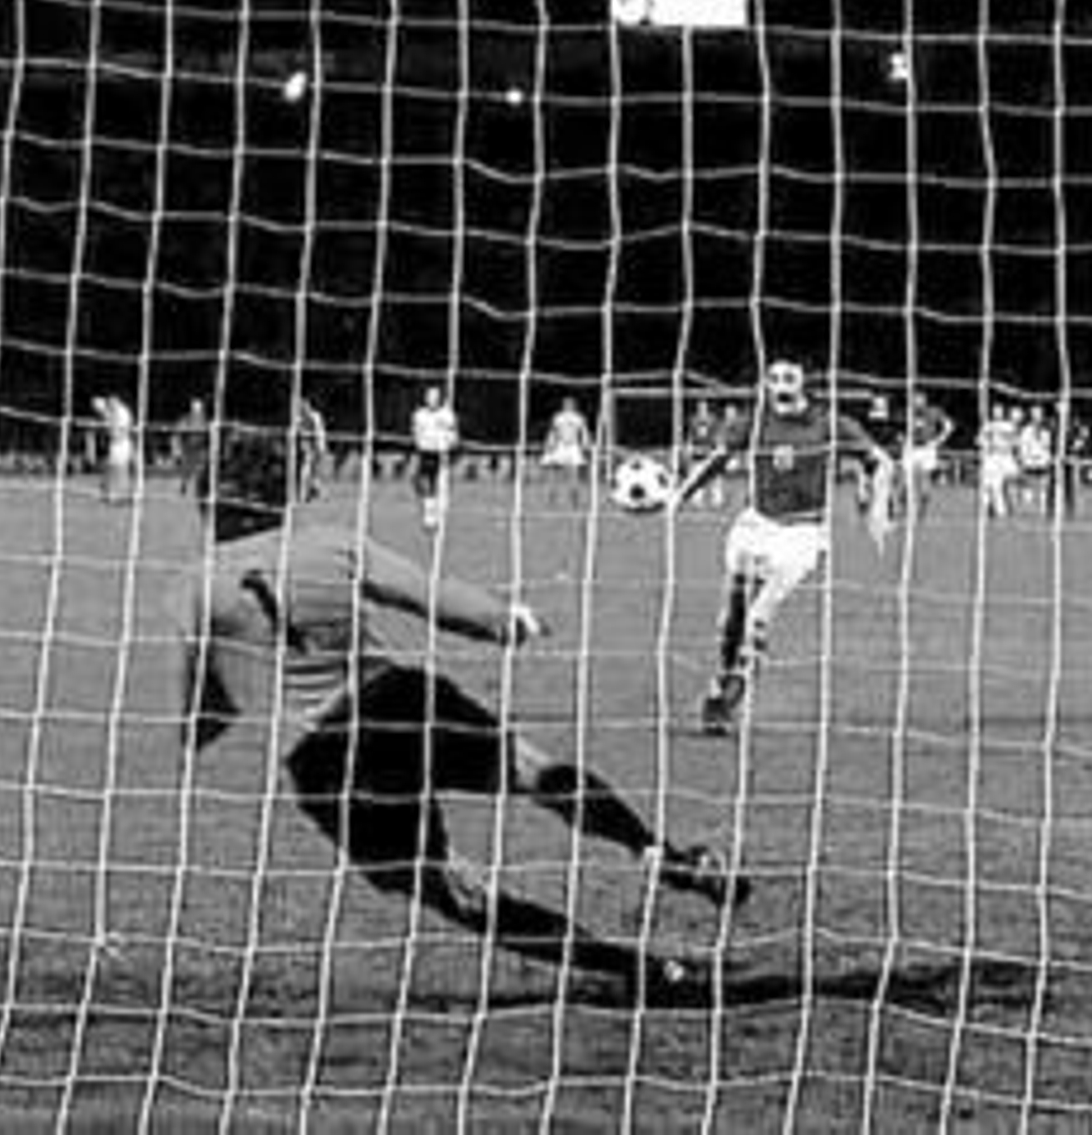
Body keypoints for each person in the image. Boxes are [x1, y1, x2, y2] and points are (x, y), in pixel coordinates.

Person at [172, 427, 750, 1004]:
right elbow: (432, 597)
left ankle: (640, 970)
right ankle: (658, 853)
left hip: (326, 760)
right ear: (281, 497)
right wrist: (504, 620)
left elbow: (213, 704)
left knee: (456, 891)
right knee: (536, 774)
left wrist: (187, 740)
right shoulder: (331, 544)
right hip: (398, 701)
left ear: (210, 500)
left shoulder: (197, 587)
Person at [671, 360, 894, 736]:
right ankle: (724, 677)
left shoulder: (828, 423)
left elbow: (881, 461)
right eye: (773, 378)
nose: (780, 385)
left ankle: (726, 698)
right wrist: (680, 494)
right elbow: (717, 460)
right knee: (730, 619)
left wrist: (877, 508)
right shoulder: (753, 421)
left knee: (760, 615)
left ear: (804, 383)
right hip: (755, 525)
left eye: (788, 378)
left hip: (801, 533)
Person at [411, 385, 460, 532]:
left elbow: (454, 434)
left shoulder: (447, 414)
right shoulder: (419, 415)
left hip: (442, 454)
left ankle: (438, 517)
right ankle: (429, 517)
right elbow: (416, 433)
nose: (432, 400)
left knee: (441, 485)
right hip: (426, 453)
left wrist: (450, 444)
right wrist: (420, 443)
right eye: (430, 397)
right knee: (423, 484)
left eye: (435, 397)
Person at [899, 391, 954, 521]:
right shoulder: (908, 413)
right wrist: (903, 440)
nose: (917, 403)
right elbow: (900, 430)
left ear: (925, 401)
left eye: (920, 400)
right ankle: (902, 509)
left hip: (927, 449)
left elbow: (949, 426)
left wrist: (938, 440)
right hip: (911, 448)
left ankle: (922, 512)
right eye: (915, 400)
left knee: (925, 481)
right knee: (905, 481)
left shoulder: (934, 412)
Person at [538, 396, 593, 505]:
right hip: (560, 446)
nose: (568, 406)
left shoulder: (579, 418)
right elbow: (553, 431)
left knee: (574, 474)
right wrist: (549, 443)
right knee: (553, 472)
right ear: (563, 405)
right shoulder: (558, 417)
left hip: (573, 447)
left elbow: (584, 432)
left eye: (571, 404)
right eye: (566, 404)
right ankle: (551, 498)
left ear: (574, 405)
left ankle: (574, 499)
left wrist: (586, 444)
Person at [91, 394, 137, 504]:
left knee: (120, 469)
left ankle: (124, 495)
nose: (111, 405)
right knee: (110, 468)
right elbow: (102, 410)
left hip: (122, 443)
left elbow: (122, 428)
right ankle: (106, 492)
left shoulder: (122, 412)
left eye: (113, 403)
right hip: (116, 443)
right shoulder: (113, 412)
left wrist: (108, 419)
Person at [976, 404, 1019, 520]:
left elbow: (1015, 442)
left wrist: (1007, 445)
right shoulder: (988, 426)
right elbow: (979, 440)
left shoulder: (1008, 426)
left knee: (1001, 484)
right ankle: (987, 509)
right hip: (991, 457)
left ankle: (1002, 510)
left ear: (1002, 412)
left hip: (1004, 457)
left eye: (999, 411)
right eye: (995, 411)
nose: (997, 413)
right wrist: (986, 444)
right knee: (988, 484)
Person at [1015, 405, 1056, 516]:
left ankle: (1043, 510)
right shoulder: (1026, 431)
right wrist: (1024, 459)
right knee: (1027, 488)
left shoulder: (1046, 432)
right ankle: (1026, 511)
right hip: (1029, 462)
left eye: (1039, 415)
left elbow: (1047, 447)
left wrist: (1047, 459)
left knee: (1043, 487)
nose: (1037, 417)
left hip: (1042, 461)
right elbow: (1022, 447)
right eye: (1035, 414)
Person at [173, 397, 210, 496]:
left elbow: (208, 433)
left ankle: (200, 488)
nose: (198, 410)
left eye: (199, 408)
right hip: (189, 447)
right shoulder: (187, 419)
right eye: (196, 408)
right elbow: (178, 431)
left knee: (202, 469)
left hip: (201, 447)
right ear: (192, 409)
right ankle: (183, 486)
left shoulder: (205, 420)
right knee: (187, 469)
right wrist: (177, 449)